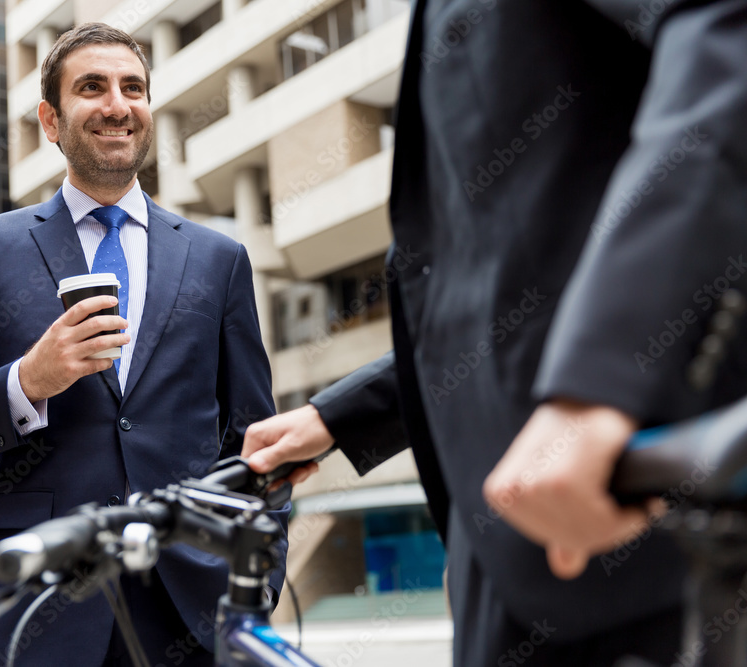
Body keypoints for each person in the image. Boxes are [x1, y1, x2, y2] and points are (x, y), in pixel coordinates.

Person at [243, 0, 747, 665]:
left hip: (631, 524)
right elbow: (493, 288)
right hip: (511, 542)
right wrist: (337, 416)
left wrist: (601, 383)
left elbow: (725, 36)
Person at [0, 22, 286, 667]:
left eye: (132, 88)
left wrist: (261, 577)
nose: (117, 104)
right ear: (51, 120)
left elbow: (254, 443)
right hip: (39, 607)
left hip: (192, 607)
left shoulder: (219, 259)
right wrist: (29, 381)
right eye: (92, 88)